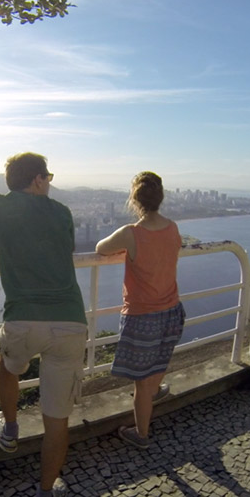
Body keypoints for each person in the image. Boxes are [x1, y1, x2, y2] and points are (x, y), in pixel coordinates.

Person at [0, 152, 87, 497]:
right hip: (69, 322)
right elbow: (61, 250)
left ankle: (9, 429)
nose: (50, 183)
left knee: (7, 366)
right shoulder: (62, 213)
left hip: (22, 319)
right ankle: (44, 490)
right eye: (48, 177)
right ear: (38, 179)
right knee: (56, 419)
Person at [95, 172, 185, 449]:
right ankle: (155, 390)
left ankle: (141, 434)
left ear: (135, 200)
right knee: (158, 362)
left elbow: (101, 248)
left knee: (140, 385)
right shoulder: (172, 228)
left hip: (142, 316)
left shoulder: (130, 233)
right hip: (172, 311)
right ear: (160, 198)